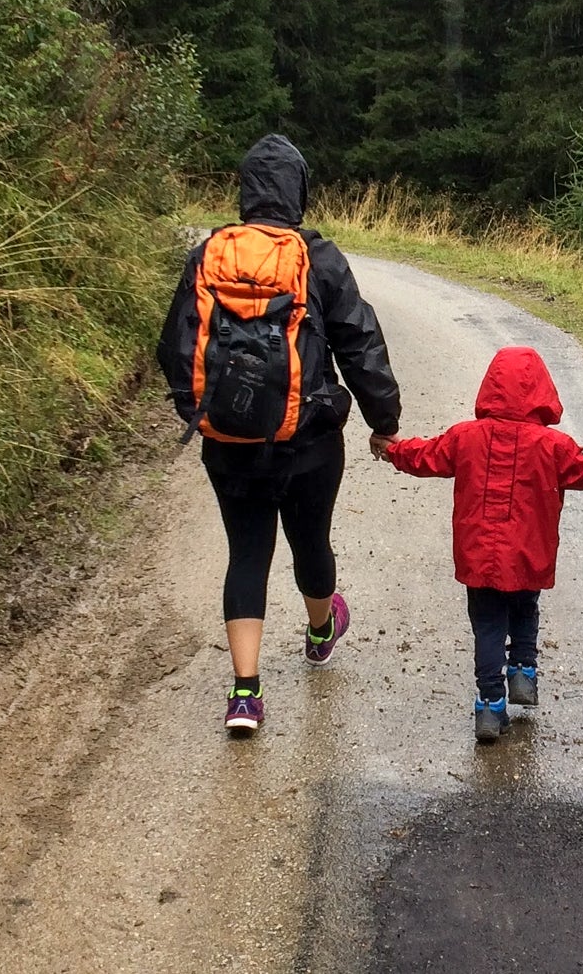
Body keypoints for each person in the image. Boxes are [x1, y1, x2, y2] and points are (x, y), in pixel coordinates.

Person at [158, 134, 401, 736]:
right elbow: (359, 343)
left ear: (245, 191)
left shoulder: (208, 255)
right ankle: (321, 631)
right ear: (299, 191)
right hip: (309, 440)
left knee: (247, 552)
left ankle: (245, 693)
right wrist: (384, 421)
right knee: (310, 539)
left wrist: (204, 411)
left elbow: (174, 347)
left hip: (229, 442)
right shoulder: (318, 258)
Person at [373, 346, 583, 745]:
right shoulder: (554, 446)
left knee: (488, 625)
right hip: (529, 552)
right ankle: (524, 670)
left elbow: (425, 455)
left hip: (479, 556)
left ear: (490, 388)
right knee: (525, 605)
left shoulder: (465, 437)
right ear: (543, 391)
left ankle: (490, 705)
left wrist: (392, 449)